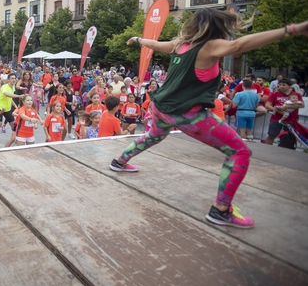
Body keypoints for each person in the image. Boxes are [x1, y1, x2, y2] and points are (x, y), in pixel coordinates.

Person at [110, 11, 308, 228]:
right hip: (186, 113)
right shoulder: (208, 46)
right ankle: (221, 210)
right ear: (217, 27)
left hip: (161, 107)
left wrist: (138, 39)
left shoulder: (180, 44)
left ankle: (119, 161)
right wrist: (291, 29)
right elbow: (238, 46)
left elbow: (155, 44)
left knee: (152, 136)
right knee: (239, 151)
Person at [264, 78, 304, 144]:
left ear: (289, 86)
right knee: (271, 135)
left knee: (291, 137)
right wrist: (277, 110)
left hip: (291, 119)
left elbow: (302, 105)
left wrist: (286, 107)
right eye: (279, 85)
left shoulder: (296, 95)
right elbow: (267, 105)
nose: (281, 86)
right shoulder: (275, 94)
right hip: (276, 118)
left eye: (284, 85)